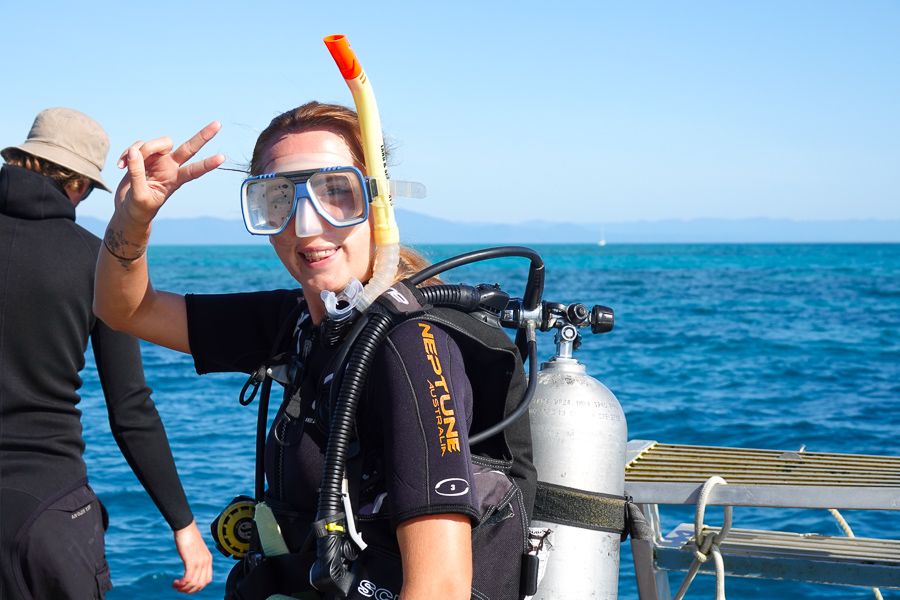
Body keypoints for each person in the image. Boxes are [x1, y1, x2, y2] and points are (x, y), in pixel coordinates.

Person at [94, 102, 535, 599]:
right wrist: (134, 221)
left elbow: (441, 586)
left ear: (378, 200)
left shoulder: (411, 346)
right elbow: (127, 311)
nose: (305, 224)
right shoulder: (300, 323)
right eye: (276, 200)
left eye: (336, 194)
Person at [0, 108, 213, 599]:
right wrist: (183, 524)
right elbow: (130, 408)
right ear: (77, 184)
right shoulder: (93, 261)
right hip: (48, 513)